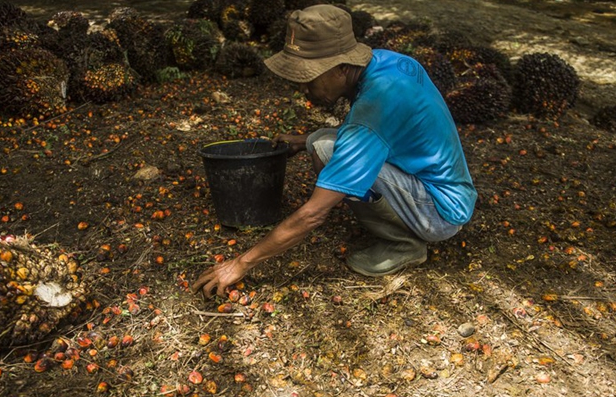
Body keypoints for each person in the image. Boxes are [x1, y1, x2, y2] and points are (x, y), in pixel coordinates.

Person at [193, 4, 476, 298]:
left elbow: (313, 214)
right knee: (318, 139)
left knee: (326, 149)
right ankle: (399, 228)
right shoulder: (386, 63)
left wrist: (241, 263)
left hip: (440, 212)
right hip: (439, 187)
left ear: (342, 68)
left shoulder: (373, 108)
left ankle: (403, 244)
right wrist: (303, 141)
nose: (303, 88)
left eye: (309, 77)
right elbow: (384, 130)